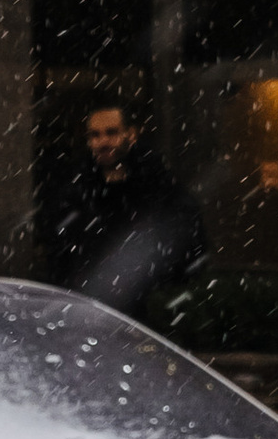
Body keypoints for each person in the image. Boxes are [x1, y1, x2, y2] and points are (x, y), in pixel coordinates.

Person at [49, 99, 206, 312]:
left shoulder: (157, 183)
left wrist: (157, 289)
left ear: (131, 134)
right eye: (95, 135)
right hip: (89, 307)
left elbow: (186, 238)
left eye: (111, 132)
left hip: (145, 307)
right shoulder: (76, 188)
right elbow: (63, 253)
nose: (102, 142)